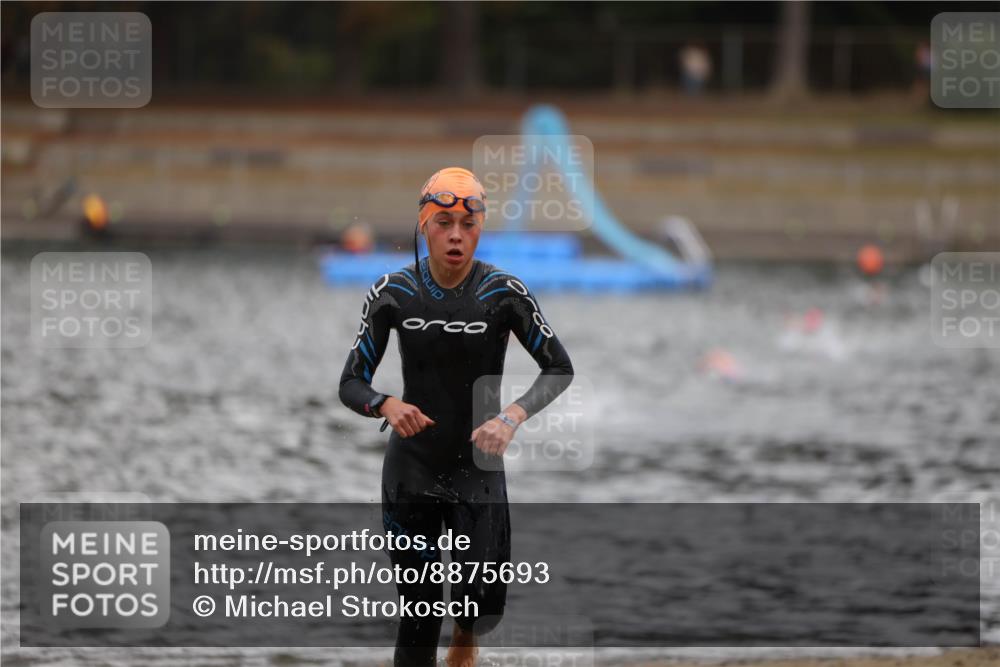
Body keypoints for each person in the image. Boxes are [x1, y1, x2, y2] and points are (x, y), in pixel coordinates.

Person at [339, 167, 574, 666]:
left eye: (467, 226)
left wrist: (510, 417)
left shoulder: (503, 293)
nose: (455, 235)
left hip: (478, 471)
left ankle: (465, 641)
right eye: (444, 222)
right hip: (412, 469)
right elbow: (350, 383)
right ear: (424, 225)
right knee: (419, 614)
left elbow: (558, 368)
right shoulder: (393, 292)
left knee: (481, 609)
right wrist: (385, 404)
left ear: (479, 229)